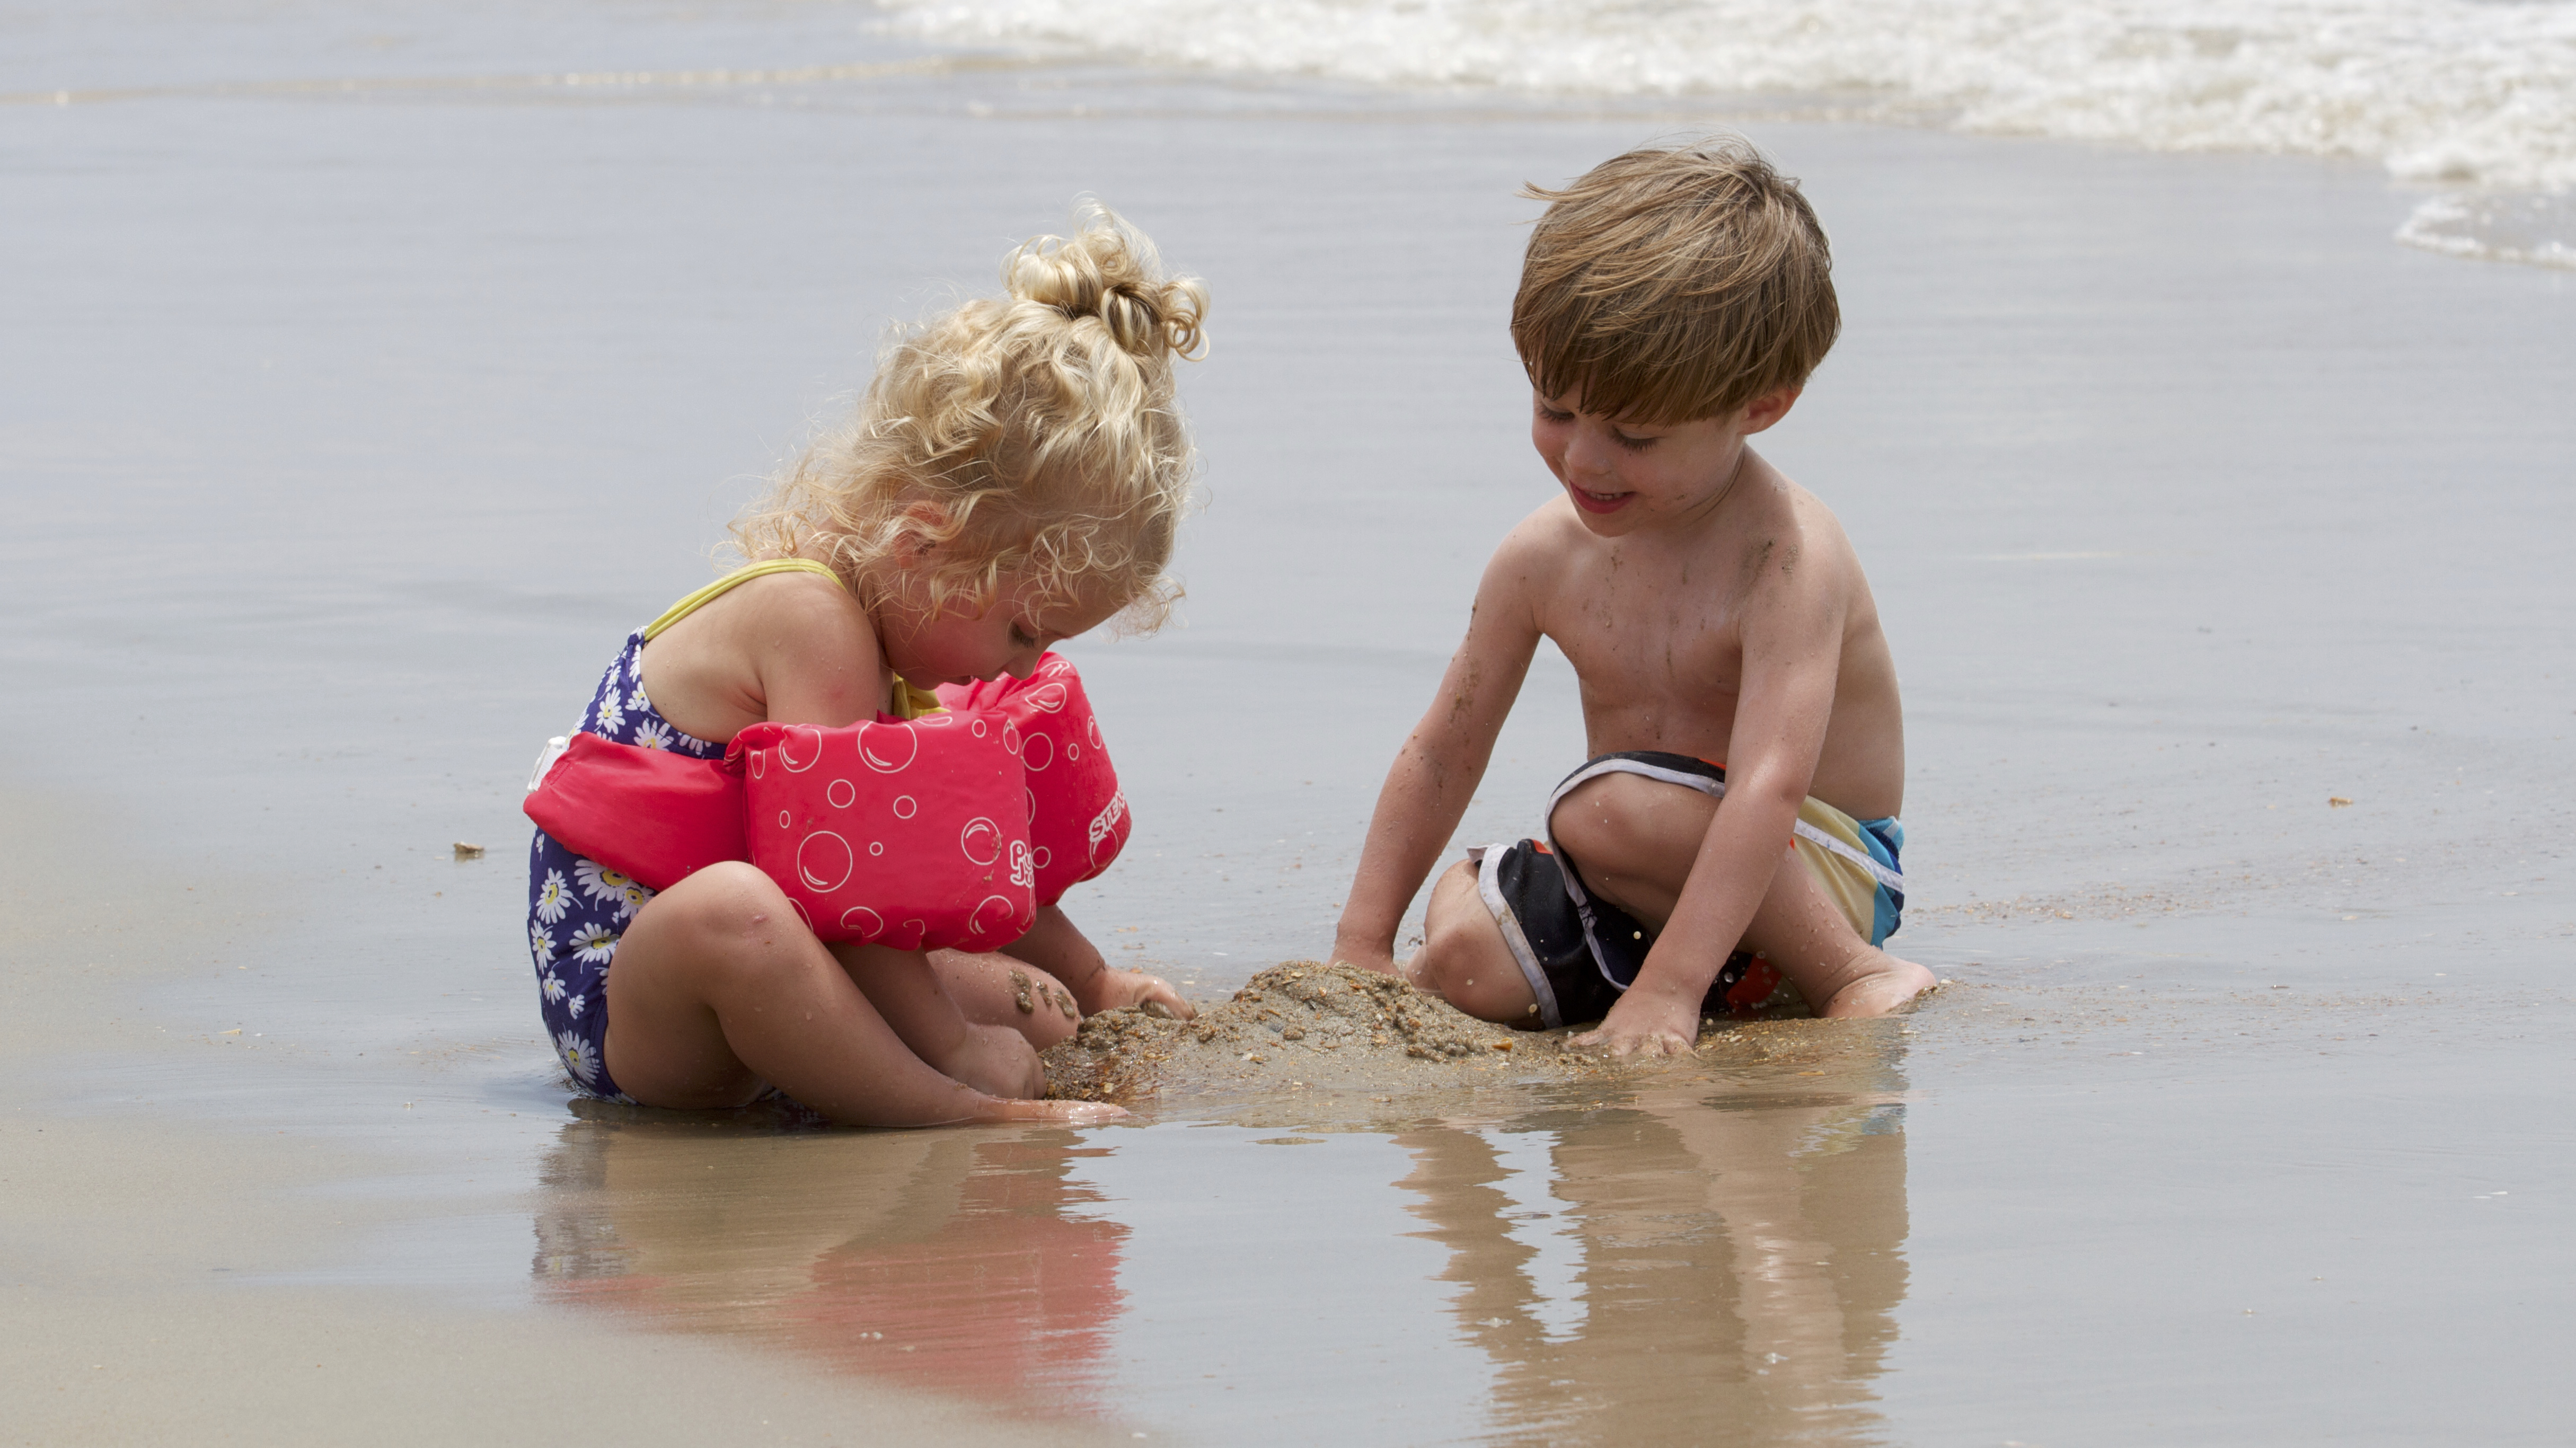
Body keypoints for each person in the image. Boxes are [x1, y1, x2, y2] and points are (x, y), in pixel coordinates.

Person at [525, 205, 1201, 1126]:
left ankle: (918, 1068)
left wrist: (1094, 977)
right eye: (1022, 633)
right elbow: (845, 896)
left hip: (779, 982)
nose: (1025, 666)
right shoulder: (815, 624)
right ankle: (954, 1114)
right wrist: (958, 1058)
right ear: (929, 546)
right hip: (643, 999)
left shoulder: (890, 636)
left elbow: (932, 864)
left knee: (1041, 1013)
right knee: (739, 912)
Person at [1330, 138, 1934, 1055]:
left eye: (1635, 436)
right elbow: (1445, 749)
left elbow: (1769, 788)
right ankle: (1651, 972)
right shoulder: (1543, 558)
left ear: (1763, 405)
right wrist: (1361, 946)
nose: (1583, 459)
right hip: (1634, 879)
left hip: (1816, 873)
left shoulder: (1787, 560)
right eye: (1555, 410)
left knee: (1605, 809)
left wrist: (1671, 994)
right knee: (1460, 955)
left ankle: (1854, 974)